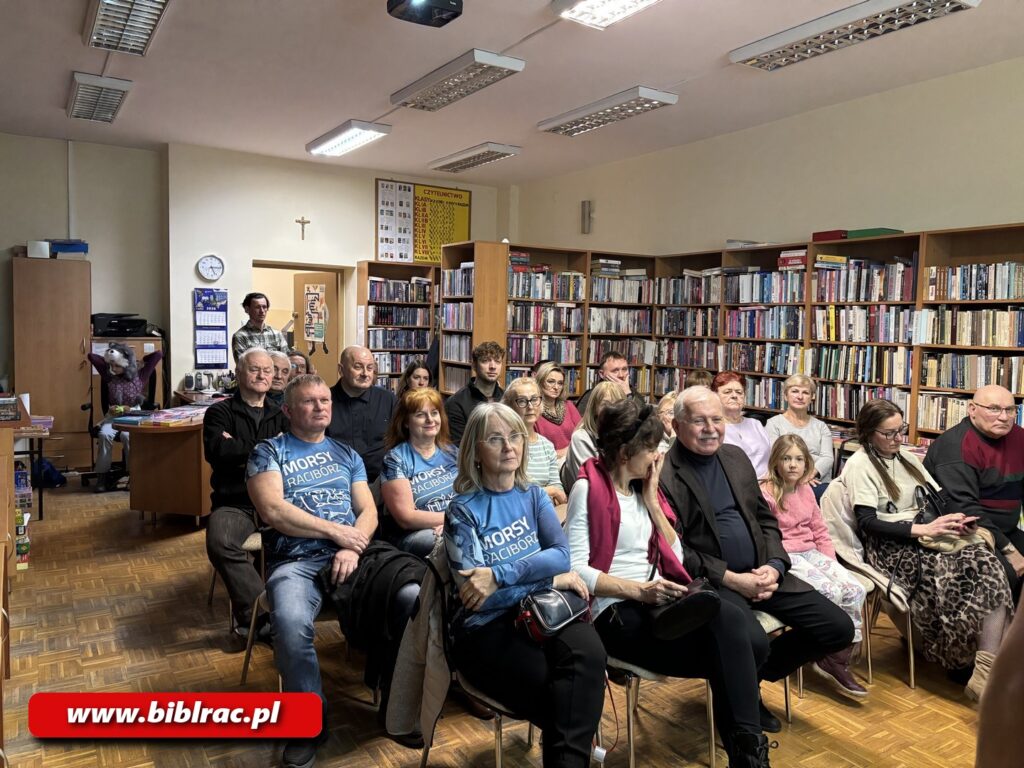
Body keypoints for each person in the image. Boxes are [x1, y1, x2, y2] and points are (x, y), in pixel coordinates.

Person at [566, 399, 772, 766]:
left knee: (733, 625)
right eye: (652, 448)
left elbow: (675, 555)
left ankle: (747, 754)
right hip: (617, 610)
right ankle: (749, 756)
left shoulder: (646, 487)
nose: (659, 456)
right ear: (627, 452)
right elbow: (576, 571)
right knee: (731, 651)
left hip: (660, 599)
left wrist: (653, 503)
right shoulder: (590, 487)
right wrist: (639, 591)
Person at [247, 374, 419, 768]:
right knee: (289, 623)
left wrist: (351, 545)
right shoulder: (268, 452)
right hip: (296, 561)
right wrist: (337, 533)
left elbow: (369, 511)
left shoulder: (347, 455)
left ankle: (395, 706)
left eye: (325, 400)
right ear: (288, 410)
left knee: (412, 598)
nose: (321, 406)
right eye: (309, 402)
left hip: (356, 556)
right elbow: (273, 511)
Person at [660, 386, 854, 731]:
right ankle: (741, 698)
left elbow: (766, 520)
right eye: (699, 421)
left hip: (764, 572)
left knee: (837, 628)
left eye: (717, 419)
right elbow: (675, 550)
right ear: (676, 425)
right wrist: (733, 579)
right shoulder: (663, 474)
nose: (711, 428)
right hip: (714, 582)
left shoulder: (735, 457)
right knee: (752, 640)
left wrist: (775, 566)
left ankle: (746, 684)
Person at [445, 403, 606, 768]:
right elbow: (478, 600)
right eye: (496, 439)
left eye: (515, 436)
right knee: (557, 692)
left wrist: (501, 574)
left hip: (545, 608)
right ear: (475, 450)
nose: (509, 447)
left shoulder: (533, 495)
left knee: (590, 658)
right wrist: (544, 574)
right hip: (486, 629)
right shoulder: (462, 510)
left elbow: (561, 557)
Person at [843, 398, 1012, 701]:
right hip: (893, 548)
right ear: (869, 433)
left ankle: (986, 667)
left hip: (924, 536)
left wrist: (956, 521)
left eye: (901, 431)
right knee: (968, 570)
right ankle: (983, 666)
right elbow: (868, 523)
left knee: (989, 562)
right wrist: (924, 529)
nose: (898, 439)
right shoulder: (859, 464)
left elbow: (938, 499)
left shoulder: (905, 456)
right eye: (889, 433)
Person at [760, 434, 867, 698]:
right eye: (786, 458)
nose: (793, 465)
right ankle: (819, 651)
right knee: (830, 592)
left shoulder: (806, 489)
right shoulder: (766, 492)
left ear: (807, 462)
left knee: (854, 589)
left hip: (812, 552)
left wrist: (830, 562)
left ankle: (837, 658)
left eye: (798, 459)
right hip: (787, 555)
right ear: (776, 461)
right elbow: (766, 536)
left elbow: (819, 529)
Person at [203, 348, 287, 638]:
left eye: (268, 370)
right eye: (255, 369)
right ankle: (262, 618)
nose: (263, 375)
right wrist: (267, 447)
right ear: (238, 373)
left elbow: (289, 458)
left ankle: (284, 612)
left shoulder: (280, 415)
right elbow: (218, 453)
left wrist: (240, 445)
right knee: (220, 542)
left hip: (276, 502)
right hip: (234, 502)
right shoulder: (219, 412)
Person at [923, 384, 1024, 600]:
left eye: (1010, 410)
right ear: (972, 409)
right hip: (965, 532)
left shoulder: (1019, 437)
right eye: (994, 409)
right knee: (1003, 576)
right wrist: (1010, 551)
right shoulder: (956, 447)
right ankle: (1001, 633)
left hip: (1004, 529)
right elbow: (965, 509)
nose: (1004, 417)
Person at [380, 387, 458, 558]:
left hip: (455, 525)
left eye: (434, 413)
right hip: (415, 534)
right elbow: (406, 518)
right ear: (406, 422)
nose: (430, 420)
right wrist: (451, 521)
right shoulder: (396, 459)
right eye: (420, 415)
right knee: (458, 539)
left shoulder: (453, 453)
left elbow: (472, 496)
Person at [86, 342, 164, 492]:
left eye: (116, 366)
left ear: (126, 364)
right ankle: (102, 477)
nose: (113, 369)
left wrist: (140, 359)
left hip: (133, 415)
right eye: (111, 365)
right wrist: (111, 356)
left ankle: (133, 476)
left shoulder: (140, 375)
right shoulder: (109, 375)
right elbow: (92, 356)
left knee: (129, 437)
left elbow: (158, 354)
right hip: (113, 416)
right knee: (104, 435)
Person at [325, 346, 396, 484]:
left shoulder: (387, 399)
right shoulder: (324, 401)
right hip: (336, 482)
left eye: (370, 368)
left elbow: (402, 439)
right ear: (341, 370)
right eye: (358, 367)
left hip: (382, 481)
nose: (365, 374)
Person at [502, 377, 566, 505]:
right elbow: (508, 495)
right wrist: (549, 492)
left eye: (534, 399)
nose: (530, 406)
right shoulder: (505, 445)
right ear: (509, 406)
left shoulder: (547, 445)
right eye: (522, 401)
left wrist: (552, 492)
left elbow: (558, 490)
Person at [559, 381, 627, 494]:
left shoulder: (625, 435)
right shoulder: (581, 437)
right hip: (584, 493)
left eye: (616, 404)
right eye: (605, 404)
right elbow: (590, 486)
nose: (612, 410)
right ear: (594, 408)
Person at [765, 375, 834, 487]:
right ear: (786, 396)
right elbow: (776, 456)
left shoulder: (821, 426)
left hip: (816, 479)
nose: (800, 396)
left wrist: (810, 475)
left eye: (806, 393)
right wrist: (800, 476)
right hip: (788, 478)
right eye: (795, 391)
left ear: (812, 397)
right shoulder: (773, 424)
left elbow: (828, 458)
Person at [444, 341, 505, 445]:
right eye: (485, 361)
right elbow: (461, 447)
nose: (493, 366)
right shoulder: (455, 403)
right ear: (474, 365)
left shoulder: (507, 398)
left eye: (497, 361)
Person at [712, 371, 771, 479]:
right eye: (727, 392)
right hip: (734, 490)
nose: (734, 396)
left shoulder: (756, 424)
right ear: (715, 396)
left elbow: (772, 457)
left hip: (768, 487)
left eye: (739, 392)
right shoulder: (712, 428)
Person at [534, 361, 581, 458]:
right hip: (548, 463)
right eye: (550, 381)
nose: (556, 387)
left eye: (560, 383)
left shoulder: (569, 405)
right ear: (540, 381)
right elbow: (534, 451)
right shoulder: (533, 410)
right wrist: (564, 452)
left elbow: (582, 435)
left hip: (574, 458)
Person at [575, 351, 643, 414]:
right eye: (615, 371)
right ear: (602, 374)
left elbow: (642, 421)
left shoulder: (634, 394)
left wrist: (628, 394)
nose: (621, 375)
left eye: (624, 369)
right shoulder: (591, 396)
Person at [231, 292, 289, 362]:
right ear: (247, 309)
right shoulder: (240, 336)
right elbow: (243, 365)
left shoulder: (277, 334)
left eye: (264, 307)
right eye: (257, 307)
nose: (262, 311)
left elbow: (286, 360)